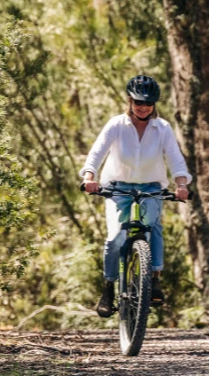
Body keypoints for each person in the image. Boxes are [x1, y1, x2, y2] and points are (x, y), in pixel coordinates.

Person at [81, 75, 192, 318]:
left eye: (149, 104)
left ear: (154, 105)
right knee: (115, 237)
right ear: (130, 101)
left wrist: (181, 184)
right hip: (117, 188)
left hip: (152, 187)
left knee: (153, 227)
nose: (143, 107)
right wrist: (90, 177)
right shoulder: (116, 125)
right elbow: (96, 153)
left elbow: (175, 160)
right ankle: (108, 288)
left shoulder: (162, 128)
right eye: (139, 102)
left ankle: (154, 278)